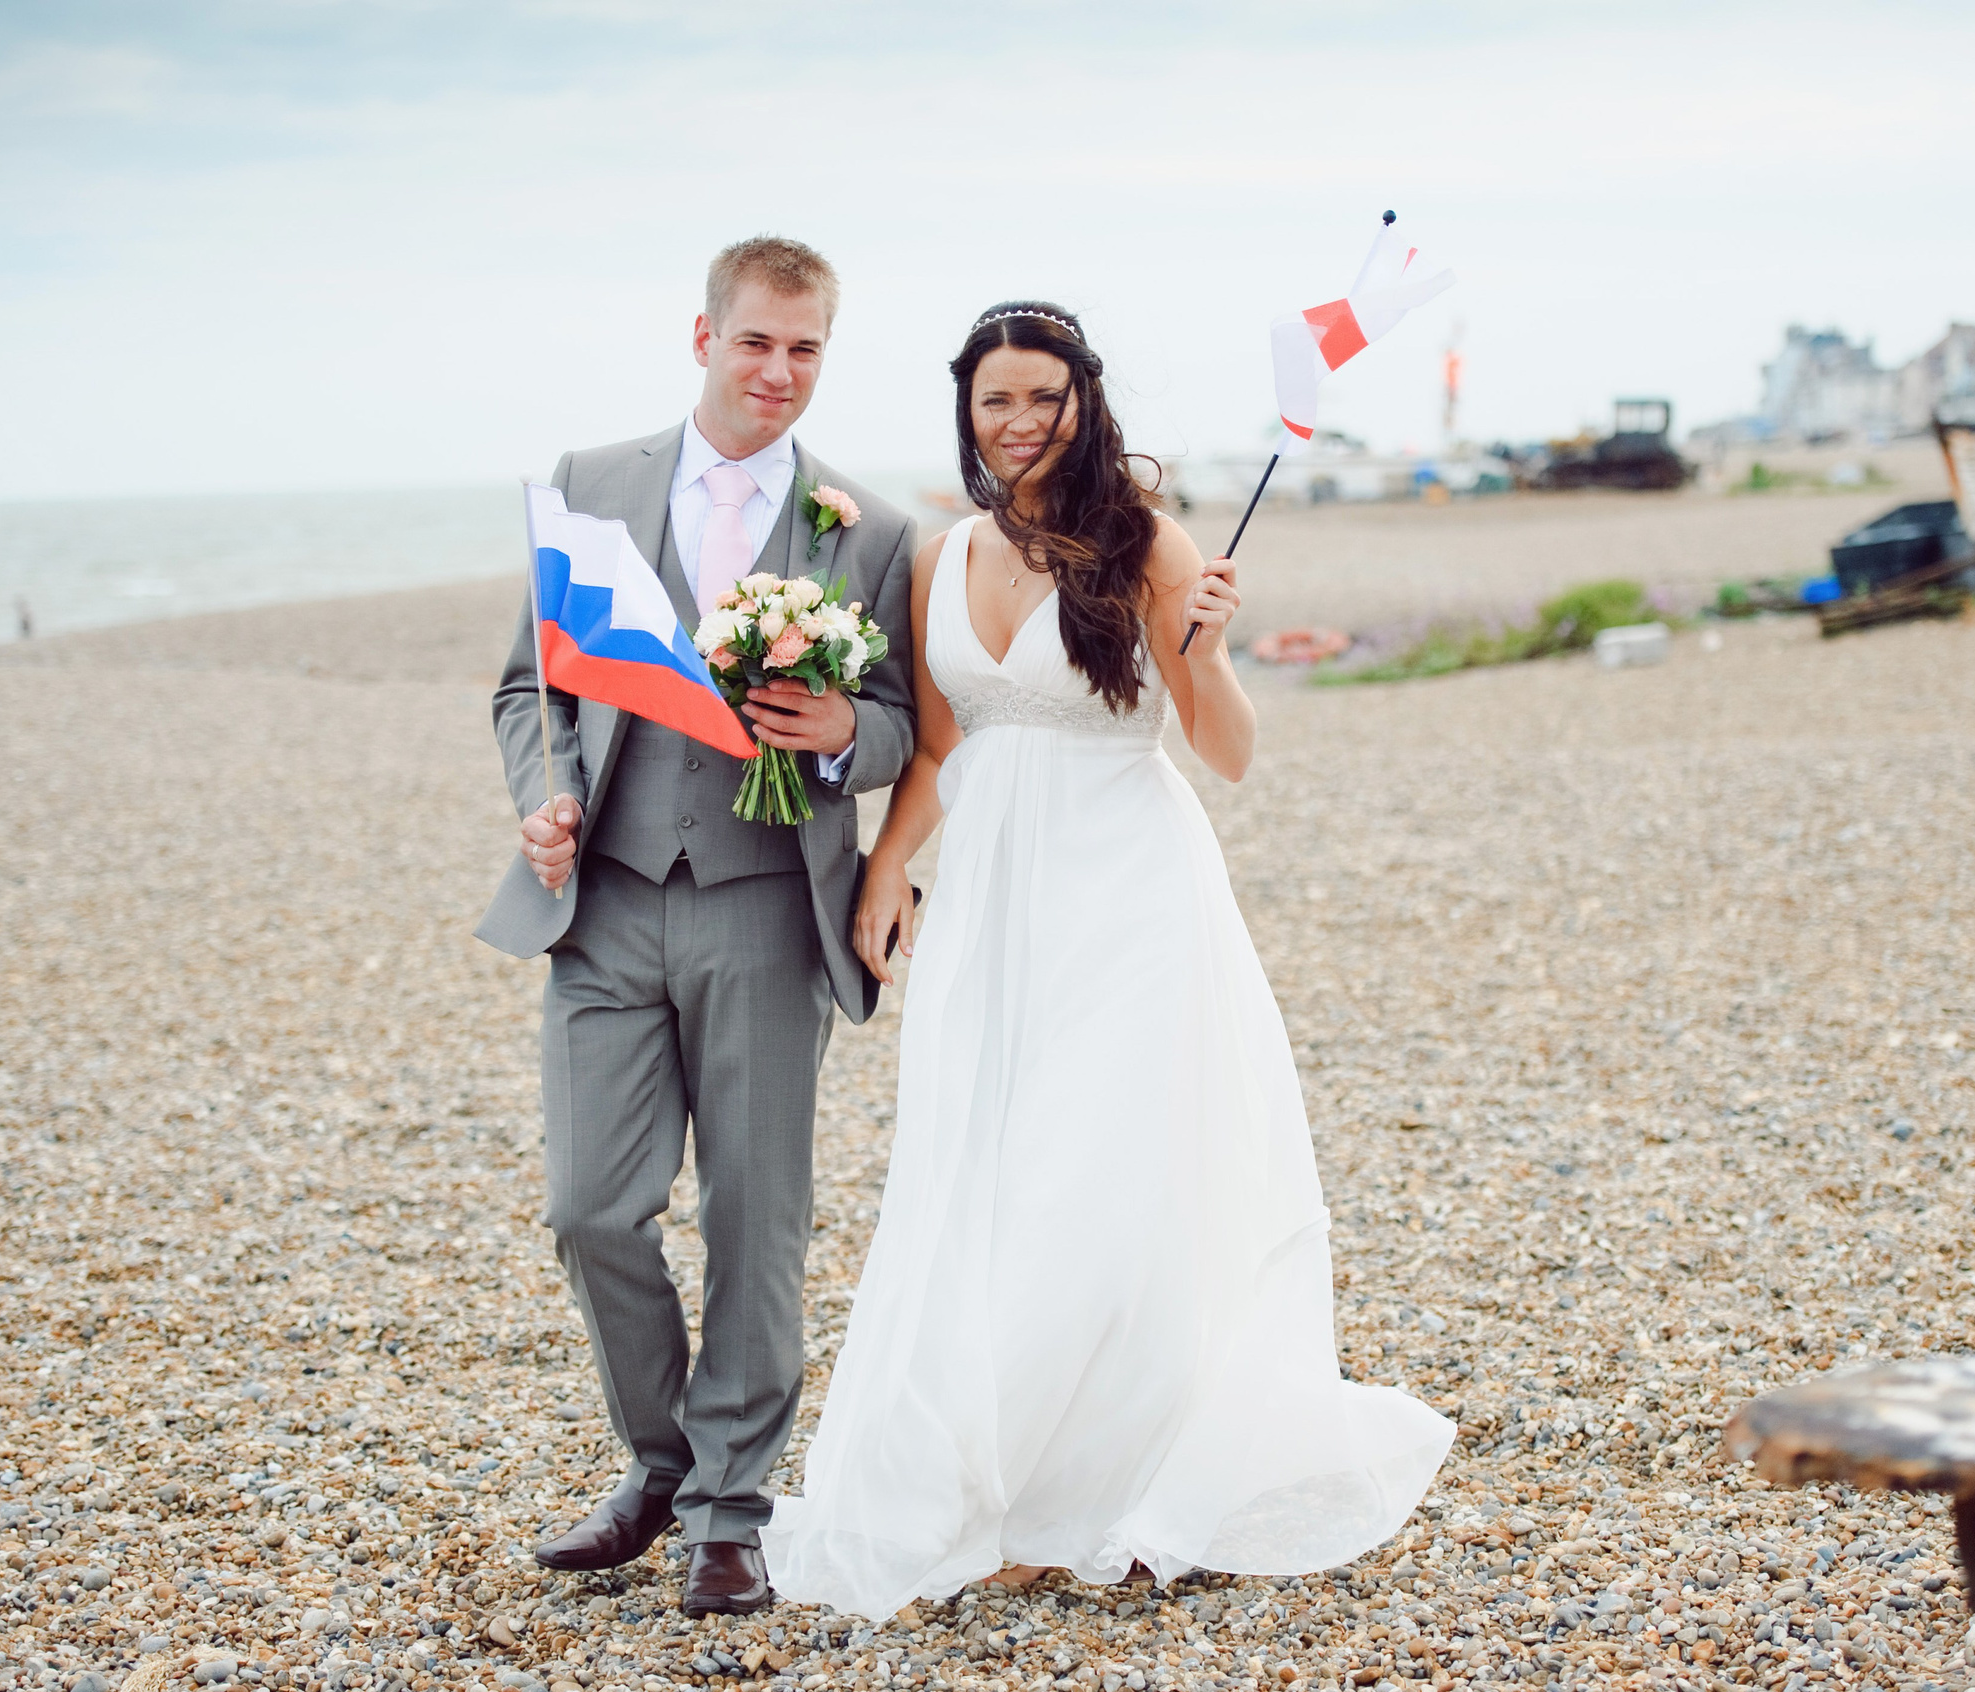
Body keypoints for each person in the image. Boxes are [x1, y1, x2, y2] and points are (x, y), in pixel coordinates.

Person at [760, 302, 1450, 1619]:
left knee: (1106, 1171)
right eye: (993, 403)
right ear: (966, 416)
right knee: (990, 1167)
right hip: (993, 896)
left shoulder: (1150, 542)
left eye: (1042, 397)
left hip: (1129, 887)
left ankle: (1107, 1484)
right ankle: (1003, 1480)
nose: (1018, 423)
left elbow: (1228, 751)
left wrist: (1209, 650)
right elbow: (949, 741)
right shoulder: (943, 554)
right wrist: (892, 864)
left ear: (1085, 401)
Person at [475, 236, 919, 1617]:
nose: (778, 373)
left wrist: (848, 727)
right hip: (603, 902)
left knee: (756, 1216)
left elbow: (911, 719)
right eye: (756, 343)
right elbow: (526, 688)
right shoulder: (589, 485)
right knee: (591, 1211)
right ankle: (664, 1464)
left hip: (766, 910)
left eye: (806, 350)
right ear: (703, 337)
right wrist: (546, 795)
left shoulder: (872, 525)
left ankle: (733, 1505)